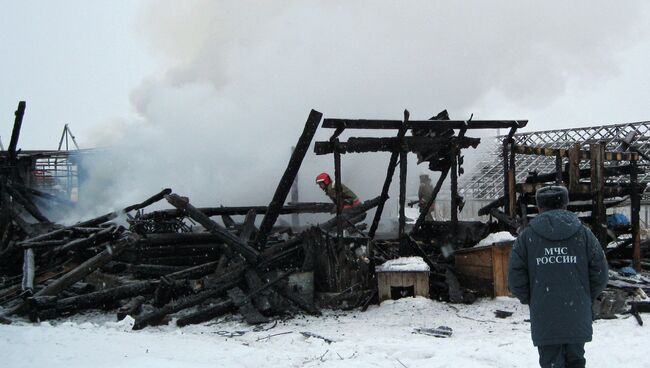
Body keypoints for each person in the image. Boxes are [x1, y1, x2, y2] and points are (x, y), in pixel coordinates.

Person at [508, 185, 609, 368]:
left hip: (545, 318)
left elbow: (515, 280)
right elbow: (600, 274)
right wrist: (585, 296)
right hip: (577, 315)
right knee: (576, 362)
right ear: (565, 204)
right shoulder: (583, 234)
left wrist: (533, 298)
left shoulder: (527, 237)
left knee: (550, 363)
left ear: (539, 207)